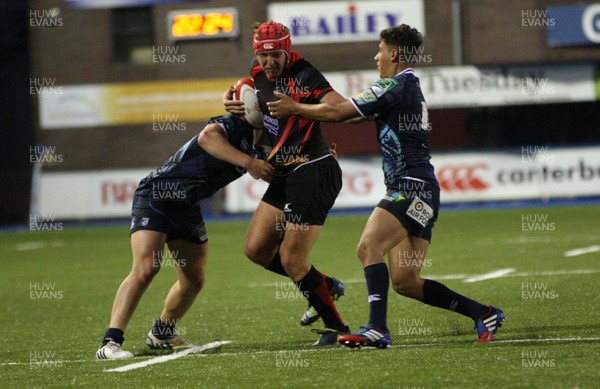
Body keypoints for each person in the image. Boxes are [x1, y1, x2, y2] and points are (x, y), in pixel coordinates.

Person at [267, 24, 505, 348]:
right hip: (423, 189)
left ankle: (377, 328)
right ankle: (483, 313)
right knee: (406, 282)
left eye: (379, 49)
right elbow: (350, 117)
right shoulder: (404, 88)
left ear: (393, 53)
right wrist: (318, 126)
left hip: (410, 187)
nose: (375, 56)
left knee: (368, 247)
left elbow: (339, 111)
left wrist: (296, 108)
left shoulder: (394, 84)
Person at [96, 114, 273, 360]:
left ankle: (162, 333)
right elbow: (207, 137)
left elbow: (276, 173)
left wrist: (315, 163)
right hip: (156, 196)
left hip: (187, 206)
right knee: (147, 268)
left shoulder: (260, 150)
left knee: (193, 281)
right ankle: (110, 343)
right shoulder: (234, 124)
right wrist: (248, 162)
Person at [223, 21, 350, 345]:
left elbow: (341, 110)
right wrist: (242, 112)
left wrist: (297, 106)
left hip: (313, 168)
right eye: (263, 56)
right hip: (284, 170)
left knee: (293, 258)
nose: (269, 63)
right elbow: (272, 127)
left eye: (276, 55)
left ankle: (338, 329)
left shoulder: (305, 75)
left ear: (288, 49)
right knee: (256, 249)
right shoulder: (258, 74)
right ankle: (325, 285)